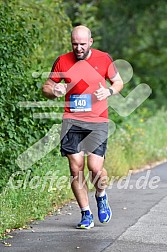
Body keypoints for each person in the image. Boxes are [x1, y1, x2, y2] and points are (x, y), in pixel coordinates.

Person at [42, 25, 123, 229]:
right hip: (72, 121)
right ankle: (86, 213)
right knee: (75, 167)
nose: (78, 48)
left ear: (91, 42)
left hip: (97, 121)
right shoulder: (62, 60)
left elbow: (118, 82)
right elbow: (46, 87)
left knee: (95, 168)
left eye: (82, 44)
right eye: (74, 44)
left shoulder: (104, 59)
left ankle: (101, 195)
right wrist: (55, 90)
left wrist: (110, 92)